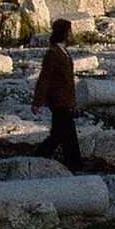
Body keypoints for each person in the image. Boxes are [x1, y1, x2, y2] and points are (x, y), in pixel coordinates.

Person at [32, 19, 83, 171]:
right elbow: (44, 78)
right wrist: (37, 101)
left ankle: (37, 159)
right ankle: (74, 165)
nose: (71, 34)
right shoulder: (53, 54)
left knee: (58, 135)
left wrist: (73, 103)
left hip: (65, 101)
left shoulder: (63, 52)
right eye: (69, 31)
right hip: (58, 101)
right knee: (68, 135)